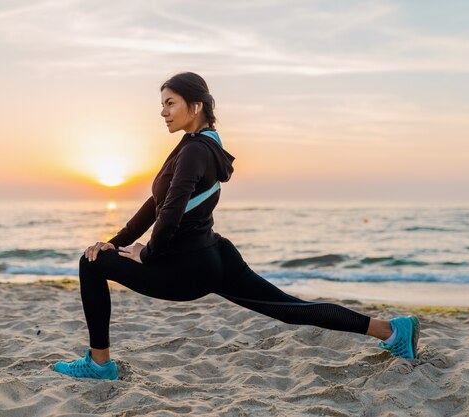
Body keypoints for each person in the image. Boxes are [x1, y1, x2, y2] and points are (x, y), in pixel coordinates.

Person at [53, 72, 420, 380]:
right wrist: (116, 242)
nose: (162, 112)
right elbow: (156, 204)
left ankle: (100, 364)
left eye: (170, 103)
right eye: (162, 103)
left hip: (188, 268)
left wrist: (145, 255)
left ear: (195, 106)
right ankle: (390, 330)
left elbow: (171, 212)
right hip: (215, 253)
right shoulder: (199, 144)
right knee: (288, 308)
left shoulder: (194, 150)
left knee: (90, 264)